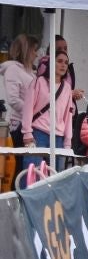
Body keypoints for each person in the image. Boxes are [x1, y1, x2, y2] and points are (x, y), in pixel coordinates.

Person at [21, 50, 76, 171]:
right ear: (51, 62)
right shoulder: (38, 82)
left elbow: (68, 116)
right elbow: (28, 108)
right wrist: (27, 133)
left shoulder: (67, 87)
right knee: (32, 172)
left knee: (56, 176)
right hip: (38, 133)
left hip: (58, 137)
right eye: (60, 61)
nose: (63, 65)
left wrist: (67, 142)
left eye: (66, 63)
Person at [1, 35, 41, 173]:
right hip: (19, 126)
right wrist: (32, 111)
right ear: (26, 50)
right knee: (20, 167)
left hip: (30, 124)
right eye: (34, 50)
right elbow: (13, 99)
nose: (36, 54)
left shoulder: (30, 72)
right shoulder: (13, 70)